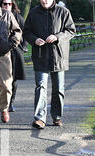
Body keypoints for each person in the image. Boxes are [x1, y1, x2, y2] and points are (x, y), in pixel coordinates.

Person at [23, 0, 75, 129]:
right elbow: (26, 32)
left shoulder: (63, 12)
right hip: (40, 56)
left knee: (58, 89)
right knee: (41, 87)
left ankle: (57, 116)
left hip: (59, 56)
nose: (44, 1)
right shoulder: (33, 13)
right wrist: (34, 40)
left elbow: (71, 31)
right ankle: (40, 118)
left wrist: (57, 37)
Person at [0, 0, 28, 113]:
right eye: (4, 4)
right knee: (3, 80)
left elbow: (25, 33)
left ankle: (10, 103)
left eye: (9, 4)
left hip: (16, 52)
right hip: (1, 52)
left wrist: (24, 47)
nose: (7, 6)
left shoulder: (18, 18)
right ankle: (3, 102)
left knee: (13, 79)